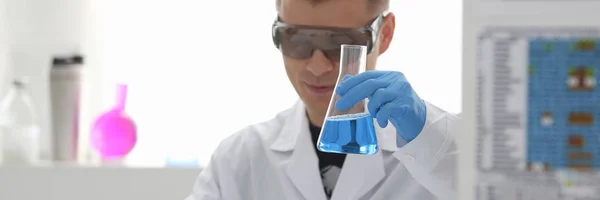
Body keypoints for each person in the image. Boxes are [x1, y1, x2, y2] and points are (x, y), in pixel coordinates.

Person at [185, 0, 459, 199]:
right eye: (296, 40)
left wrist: (429, 139)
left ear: (384, 35)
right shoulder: (238, 160)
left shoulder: (443, 153)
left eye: (341, 42)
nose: (317, 67)